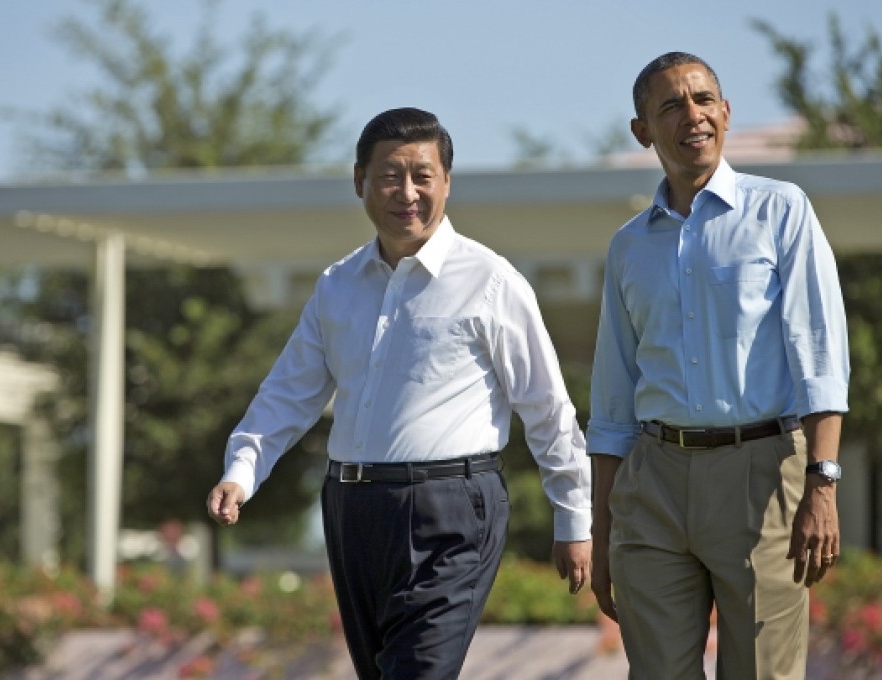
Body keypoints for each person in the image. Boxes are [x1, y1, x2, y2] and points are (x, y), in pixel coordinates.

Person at [206, 107, 592, 680]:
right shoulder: (337, 285)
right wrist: (242, 469)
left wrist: (573, 517)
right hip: (351, 509)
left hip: (452, 510)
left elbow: (546, 407)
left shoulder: (491, 281)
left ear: (446, 183)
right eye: (389, 175)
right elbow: (290, 392)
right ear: (360, 181)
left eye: (422, 175)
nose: (406, 192)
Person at [588, 52, 850, 679]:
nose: (693, 116)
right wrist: (601, 532)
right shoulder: (628, 247)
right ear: (642, 130)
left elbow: (820, 356)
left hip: (761, 476)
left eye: (704, 100)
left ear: (727, 113)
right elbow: (613, 402)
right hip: (653, 482)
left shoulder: (782, 211)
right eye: (671, 105)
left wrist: (823, 482)